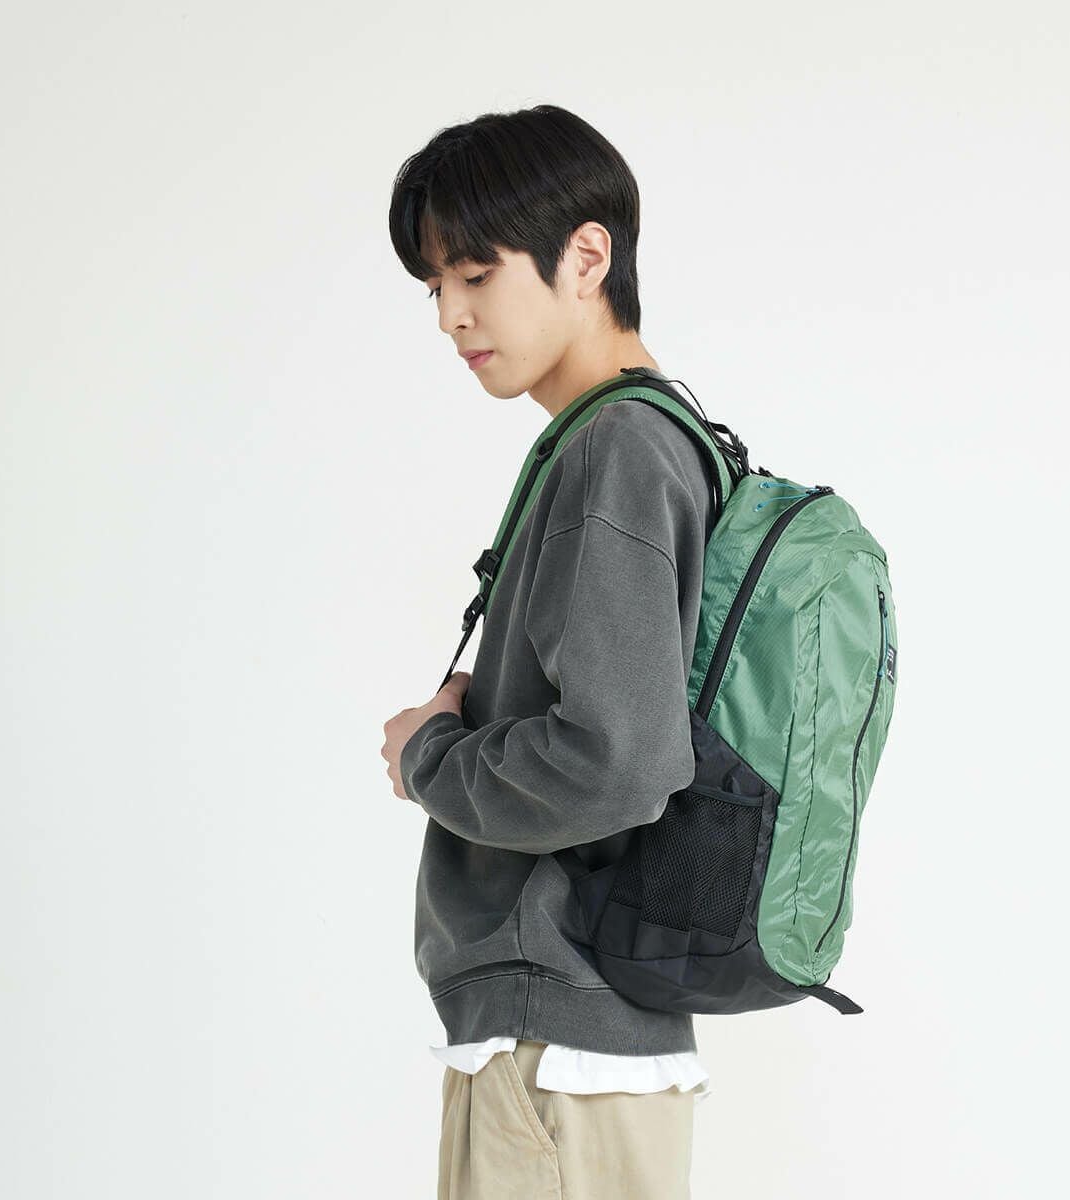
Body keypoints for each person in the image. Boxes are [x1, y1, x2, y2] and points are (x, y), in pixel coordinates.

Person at [381, 105, 713, 1200]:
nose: (451, 315)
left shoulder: (618, 449)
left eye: (476, 273)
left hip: (552, 1049)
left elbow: (617, 762)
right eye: (436, 286)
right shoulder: (656, 439)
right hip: (582, 1042)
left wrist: (428, 755)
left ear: (586, 256)